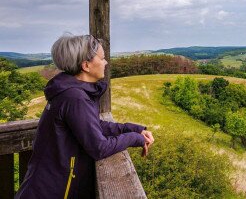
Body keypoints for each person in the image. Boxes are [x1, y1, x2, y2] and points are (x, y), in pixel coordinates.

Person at [15, 34, 154, 199]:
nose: (106, 62)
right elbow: (99, 148)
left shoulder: (69, 92)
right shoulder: (75, 97)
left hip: (45, 186)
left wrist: (135, 130)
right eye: (102, 58)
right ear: (86, 65)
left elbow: (93, 125)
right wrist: (134, 139)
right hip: (52, 191)